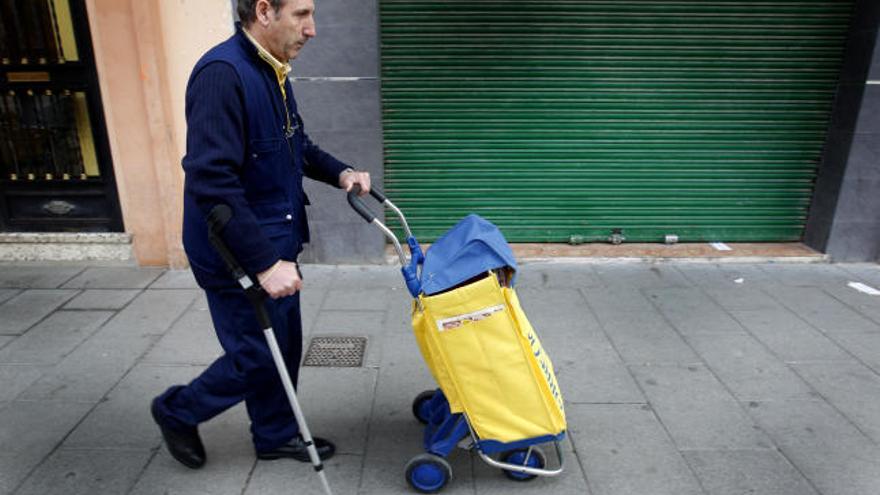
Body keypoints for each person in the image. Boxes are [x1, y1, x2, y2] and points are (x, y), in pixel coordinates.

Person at [150, 0, 371, 469]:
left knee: (283, 346)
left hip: (277, 243)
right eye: (302, 14)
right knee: (254, 357)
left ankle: (274, 434)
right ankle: (176, 410)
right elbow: (212, 181)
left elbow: (296, 143)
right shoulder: (221, 74)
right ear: (265, 11)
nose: (312, 30)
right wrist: (264, 264)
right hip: (238, 252)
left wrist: (341, 173)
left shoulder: (273, 69)